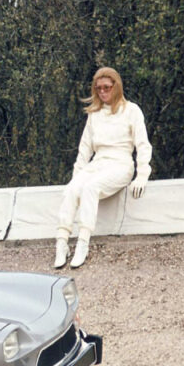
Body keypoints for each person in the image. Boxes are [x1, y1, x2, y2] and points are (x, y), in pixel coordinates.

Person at [54, 67, 152, 269]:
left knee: (91, 188)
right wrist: (76, 177)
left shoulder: (131, 110)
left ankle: (83, 241)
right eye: (99, 88)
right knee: (72, 189)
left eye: (107, 87)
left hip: (121, 164)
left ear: (116, 86)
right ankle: (62, 242)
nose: (103, 91)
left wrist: (142, 175)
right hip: (98, 163)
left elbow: (143, 144)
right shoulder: (94, 114)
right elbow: (84, 149)